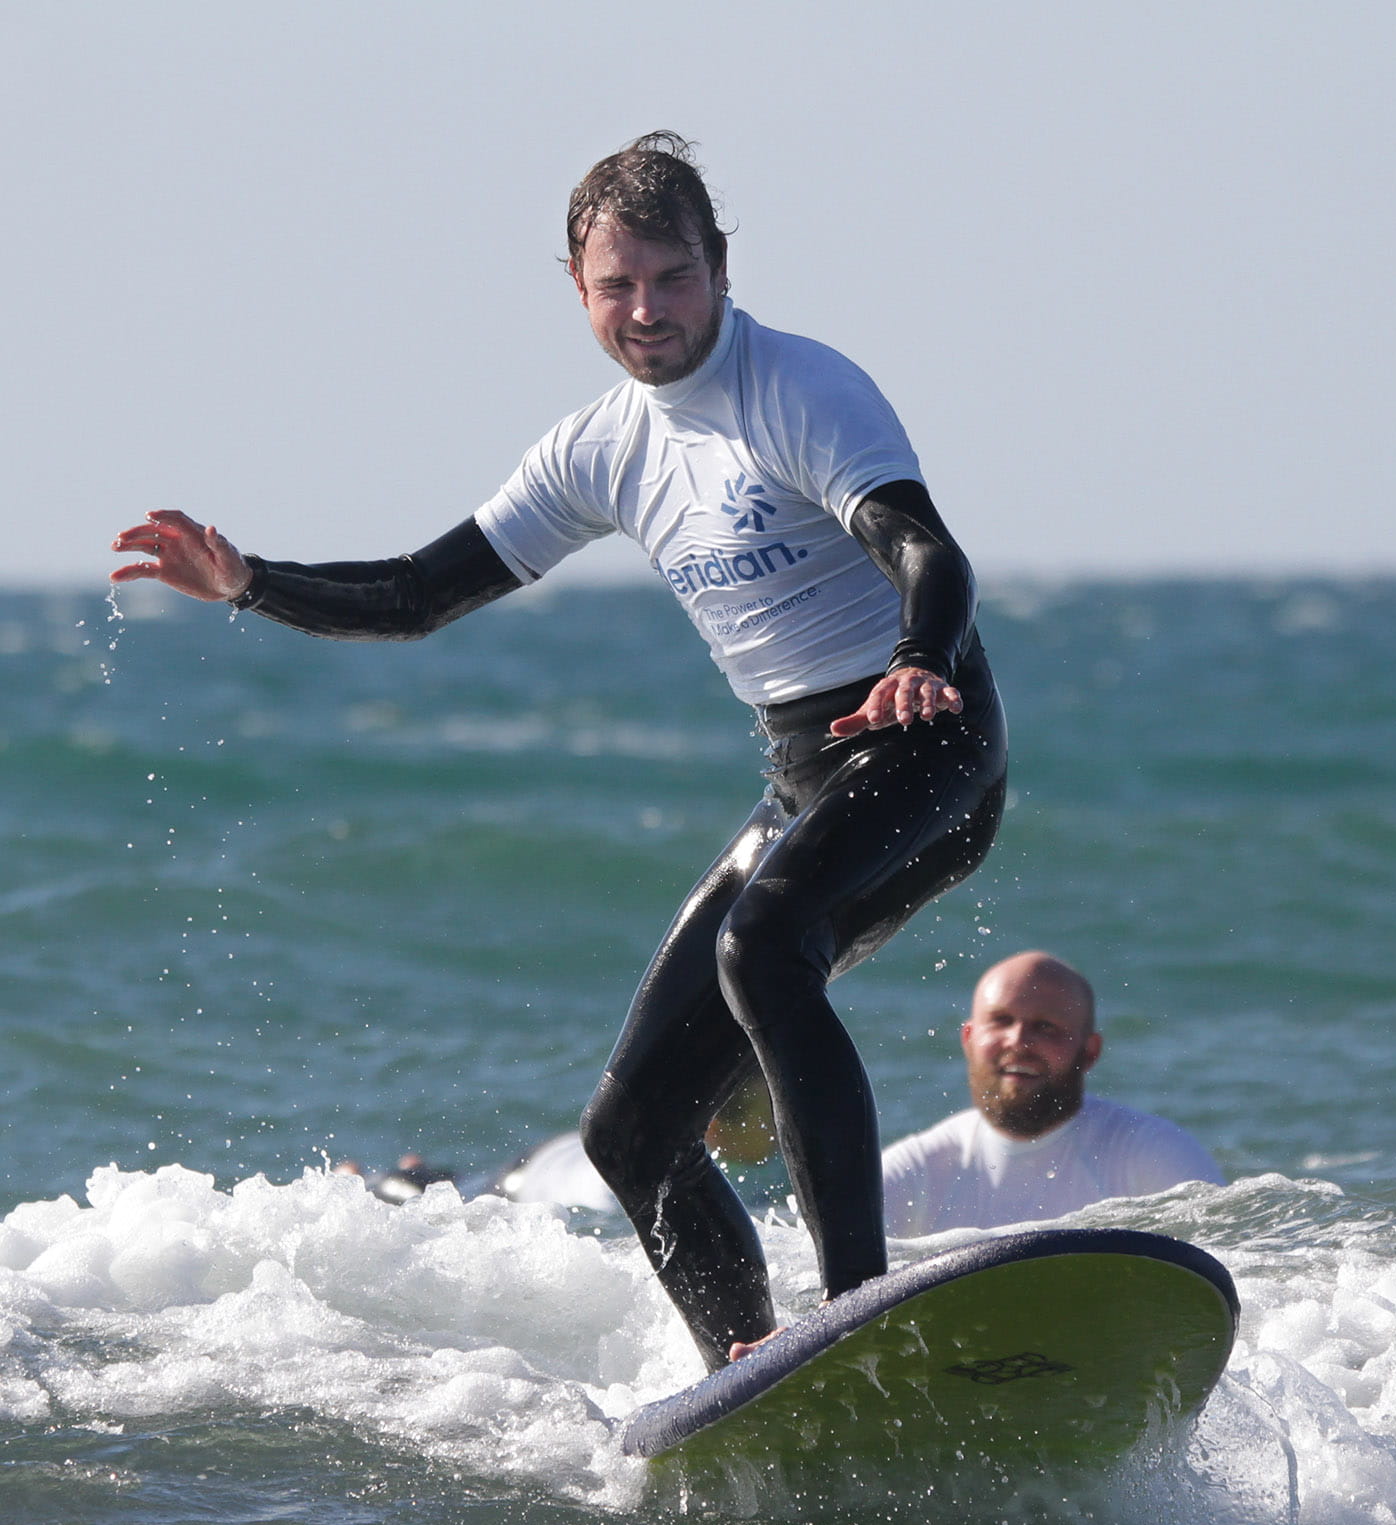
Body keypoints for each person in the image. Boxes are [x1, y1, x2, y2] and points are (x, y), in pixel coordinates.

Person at [111, 132, 1007, 1371]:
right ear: (577, 291)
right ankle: (751, 1366)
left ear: (719, 267)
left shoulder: (803, 391)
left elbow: (927, 551)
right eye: (616, 286)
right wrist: (253, 582)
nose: (647, 312)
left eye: (672, 278)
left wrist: (917, 656)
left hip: (926, 739)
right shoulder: (599, 448)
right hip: (805, 769)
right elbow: (422, 590)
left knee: (763, 947)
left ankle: (854, 1306)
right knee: (628, 1130)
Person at [882, 951, 1225, 1235]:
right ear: (969, 1039)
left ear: (1089, 1052)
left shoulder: (1154, 1155)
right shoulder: (915, 1172)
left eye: (1045, 1027)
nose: (1018, 1041)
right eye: (1001, 1020)